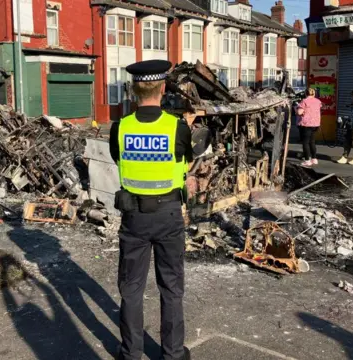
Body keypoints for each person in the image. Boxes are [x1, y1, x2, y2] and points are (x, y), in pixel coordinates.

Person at [109, 59, 193, 360]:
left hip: (134, 217)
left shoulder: (120, 127)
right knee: (171, 288)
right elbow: (186, 162)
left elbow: (119, 160)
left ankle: (131, 353)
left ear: (133, 90)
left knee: (131, 289)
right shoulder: (177, 127)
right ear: (163, 88)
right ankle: (172, 353)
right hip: (169, 215)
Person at [296, 88, 322, 167]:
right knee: (312, 141)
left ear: (305, 93)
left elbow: (300, 112)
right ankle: (314, 158)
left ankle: (307, 160)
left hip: (306, 124)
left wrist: (296, 108)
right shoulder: (318, 101)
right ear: (314, 94)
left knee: (305, 142)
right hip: (316, 124)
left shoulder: (304, 101)